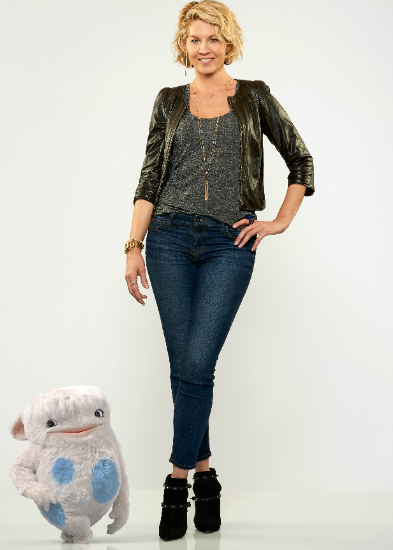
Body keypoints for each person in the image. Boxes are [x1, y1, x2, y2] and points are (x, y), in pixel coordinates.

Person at [124, 0, 314, 542]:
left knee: (197, 361)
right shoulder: (168, 101)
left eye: (213, 38)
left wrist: (278, 221)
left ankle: (177, 479)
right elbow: (149, 178)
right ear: (183, 46)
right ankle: (206, 476)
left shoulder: (254, 96)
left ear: (229, 43)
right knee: (185, 363)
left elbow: (301, 161)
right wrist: (134, 245)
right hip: (167, 239)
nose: (203, 48)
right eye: (194, 39)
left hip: (230, 243)